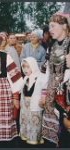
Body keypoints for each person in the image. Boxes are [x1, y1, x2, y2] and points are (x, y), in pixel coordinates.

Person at [40, 12, 70, 148]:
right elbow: (46, 72)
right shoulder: (51, 46)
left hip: (66, 95)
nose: (50, 30)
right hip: (52, 94)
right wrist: (44, 93)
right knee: (50, 138)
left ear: (64, 26)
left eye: (53, 26)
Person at [19, 57, 48, 147]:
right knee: (26, 124)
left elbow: (45, 87)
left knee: (34, 126)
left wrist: (43, 98)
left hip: (35, 107)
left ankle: (34, 143)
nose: (25, 70)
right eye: (24, 67)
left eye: (28, 67)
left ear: (33, 66)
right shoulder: (25, 79)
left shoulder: (40, 77)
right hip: (25, 108)